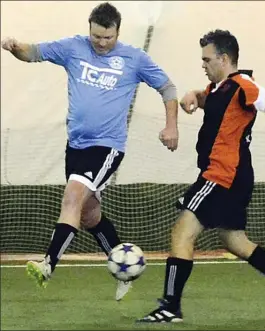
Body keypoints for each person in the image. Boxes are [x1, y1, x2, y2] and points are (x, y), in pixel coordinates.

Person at [1, 2, 179, 301]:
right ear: (90, 29)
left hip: (107, 146)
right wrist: (14, 46)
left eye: (107, 37)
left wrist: (171, 126)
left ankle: (48, 265)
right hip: (77, 146)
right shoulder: (73, 47)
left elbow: (168, 88)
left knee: (71, 197)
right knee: (89, 215)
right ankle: (126, 267)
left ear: (117, 33)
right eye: (96, 36)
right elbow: (32, 53)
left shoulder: (134, 58)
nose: (101, 42)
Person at [138, 29, 265, 322]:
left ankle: (170, 306)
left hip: (222, 175)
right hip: (234, 177)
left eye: (207, 60)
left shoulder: (243, 84)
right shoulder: (219, 89)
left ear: (224, 58)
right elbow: (203, 96)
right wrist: (192, 95)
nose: (203, 65)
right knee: (235, 241)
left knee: (182, 231)